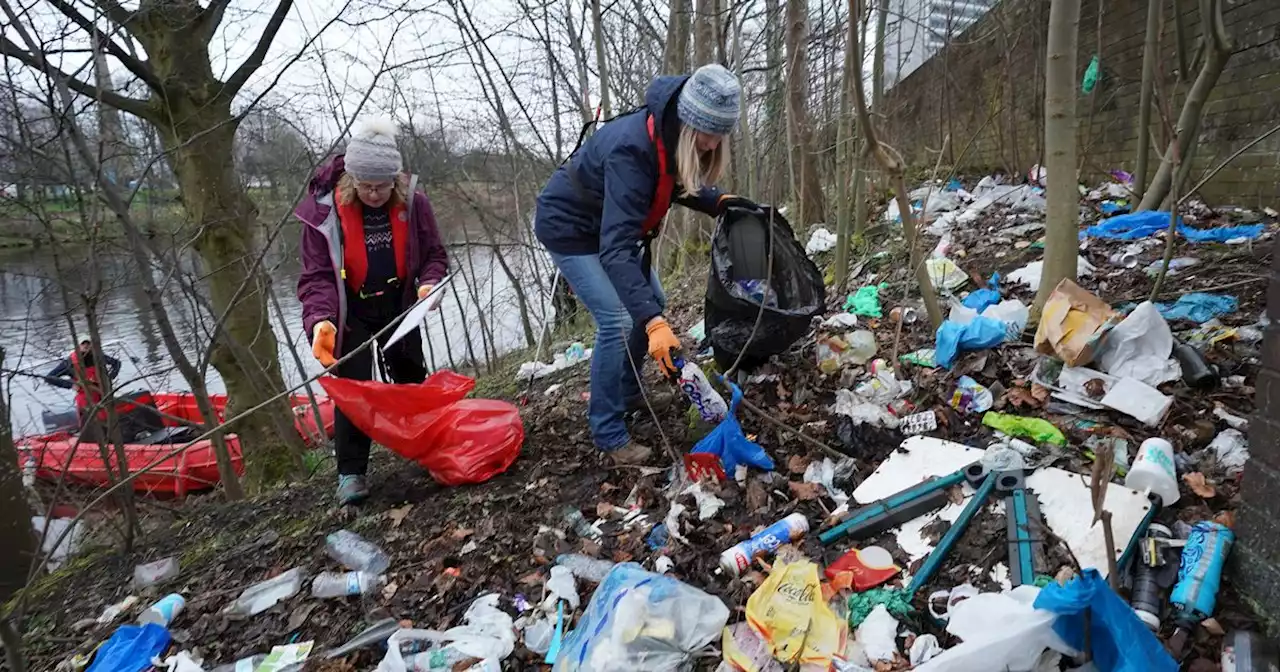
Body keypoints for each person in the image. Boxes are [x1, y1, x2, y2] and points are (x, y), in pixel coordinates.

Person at [533, 64, 759, 464]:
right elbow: (615, 248)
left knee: (652, 296)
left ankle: (627, 389)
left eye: (720, 135)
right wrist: (655, 325)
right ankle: (609, 433)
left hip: (607, 228)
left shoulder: (672, 133)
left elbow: (675, 179)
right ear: (689, 123)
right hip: (570, 228)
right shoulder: (631, 152)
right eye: (708, 134)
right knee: (619, 319)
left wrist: (717, 201)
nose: (712, 144)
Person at [296, 118, 449, 505]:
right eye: (366, 186)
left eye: (382, 185)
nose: (375, 194)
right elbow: (315, 277)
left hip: (399, 306)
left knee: (412, 375)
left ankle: (427, 450)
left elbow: (433, 255)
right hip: (351, 311)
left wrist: (429, 284)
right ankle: (351, 474)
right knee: (354, 388)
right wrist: (321, 322)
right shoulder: (325, 213)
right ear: (351, 180)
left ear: (394, 180)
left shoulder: (414, 203)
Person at [45, 340, 121, 439]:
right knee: (90, 425)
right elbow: (49, 378)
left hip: (103, 395)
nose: (86, 346)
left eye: (88, 343)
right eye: (83, 344)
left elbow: (117, 363)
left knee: (110, 422)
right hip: (85, 399)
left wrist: (110, 377)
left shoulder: (98, 356)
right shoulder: (70, 362)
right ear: (77, 346)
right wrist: (70, 385)